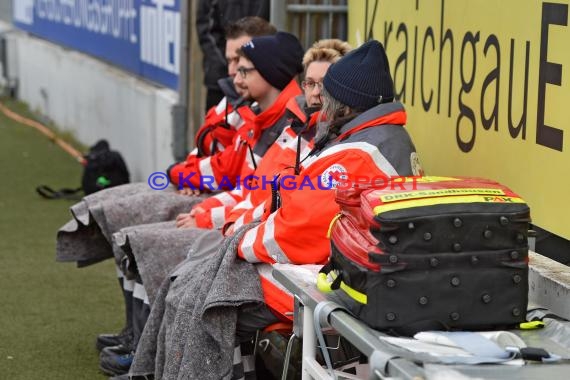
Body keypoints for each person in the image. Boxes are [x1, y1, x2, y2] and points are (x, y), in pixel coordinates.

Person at [128, 40, 422, 379]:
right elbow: (265, 196)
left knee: (208, 301)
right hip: (345, 272)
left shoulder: (355, 152)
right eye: (310, 84)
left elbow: (294, 233)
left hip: (338, 282)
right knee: (193, 284)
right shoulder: (373, 138)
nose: (317, 97)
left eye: (326, 91)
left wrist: (237, 242)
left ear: (345, 104)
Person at [98, 31, 305, 378]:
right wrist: (191, 186)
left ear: (271, 72)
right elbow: (238, 178)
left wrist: (211, 215)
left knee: (147, 248)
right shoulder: (258, 113)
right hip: (226, 215)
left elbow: (251, 190)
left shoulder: (291, 125)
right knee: (118, 222)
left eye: (244, 68)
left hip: (239, 229)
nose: (233, 74)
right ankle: (138, 343)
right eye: (232, 64)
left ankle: (144, 356)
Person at [197, 0, 270, 110]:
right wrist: (231, 62)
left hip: (257, 79)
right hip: (219, 80)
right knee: (217, 123)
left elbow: (266, 27)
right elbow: (206, 30)